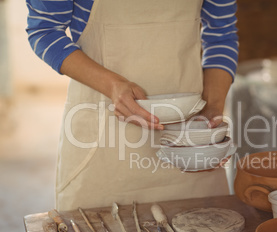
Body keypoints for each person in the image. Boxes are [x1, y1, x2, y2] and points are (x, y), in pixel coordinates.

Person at [26, 0, 239, 211]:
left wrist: (212, 109)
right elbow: (45, 30)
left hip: (187, 142)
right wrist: (112, 85)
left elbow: (221, 36)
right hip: (102, 148)